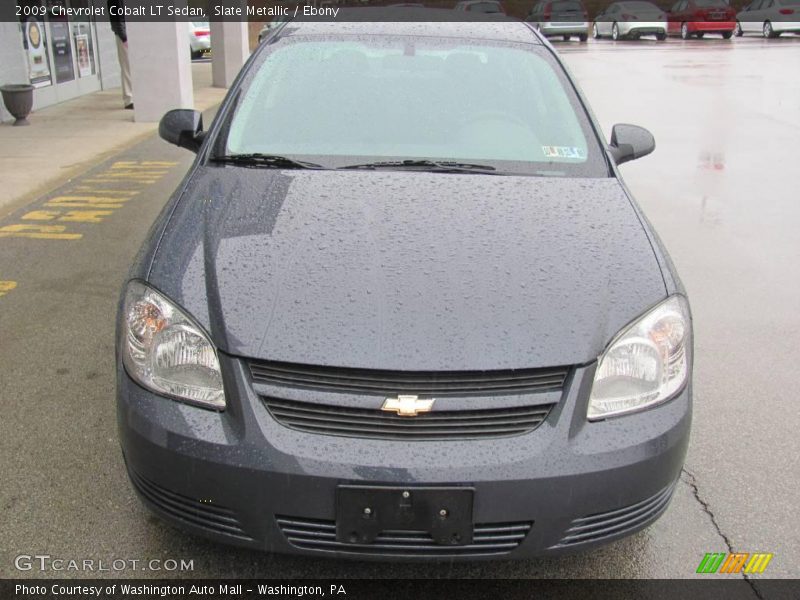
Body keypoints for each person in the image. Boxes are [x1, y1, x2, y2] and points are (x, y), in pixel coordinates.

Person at [108, 0, 133, 109]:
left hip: (129, 33)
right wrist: (124, 37)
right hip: (124, 35)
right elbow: (116, 18)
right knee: (127, 66)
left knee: (130, 66)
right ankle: (129, 99)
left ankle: (132, 97)